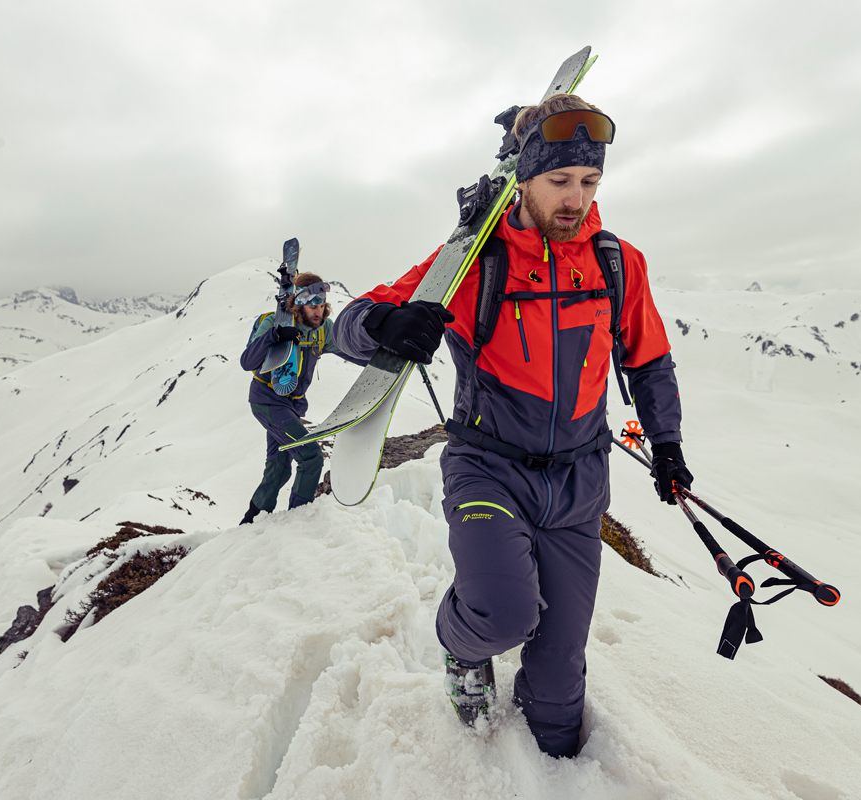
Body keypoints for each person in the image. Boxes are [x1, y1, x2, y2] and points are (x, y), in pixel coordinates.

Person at [331, 94, 693, 758]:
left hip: (580, 483)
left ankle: (552, 764)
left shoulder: (616, 263)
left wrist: (665, 443)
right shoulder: (474, 263)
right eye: (559, 180)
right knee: (501, 616)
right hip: (489, 468)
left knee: (559, 697)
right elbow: (348, 324)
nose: (575, 199)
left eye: (589, 182)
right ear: (522, 179)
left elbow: (648, 358)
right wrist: (383, 324)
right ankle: (458, 644)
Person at [239, 273, 367, 524]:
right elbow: (247, 362)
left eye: (321, 305)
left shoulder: (322, 330)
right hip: (266, 400)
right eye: (312, 306)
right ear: (298, 305)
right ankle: (299, 521)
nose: (318, 311)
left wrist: (386, 358)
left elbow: (349, 351)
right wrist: (274, 336)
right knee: (311, 457)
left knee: (278, 469)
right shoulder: (272, 322)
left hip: (292, 406)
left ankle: (251, 522)